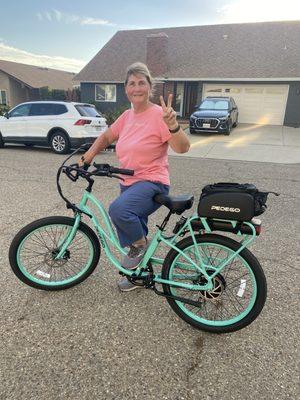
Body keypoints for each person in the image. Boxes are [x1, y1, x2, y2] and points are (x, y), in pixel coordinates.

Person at [79, 62, 190, 291]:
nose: (136, 88)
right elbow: (107, 137)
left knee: (119, 211)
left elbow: (182, 148)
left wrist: (173, 126)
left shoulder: (160, 115)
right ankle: (139, 276)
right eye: (132, 83)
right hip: (128, 182)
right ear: (126, 89)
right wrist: (87, 157)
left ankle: (139, 246)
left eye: (141, 83)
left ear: (150, 87)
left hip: (152, 182)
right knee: (136, 223)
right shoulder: (127, 116)